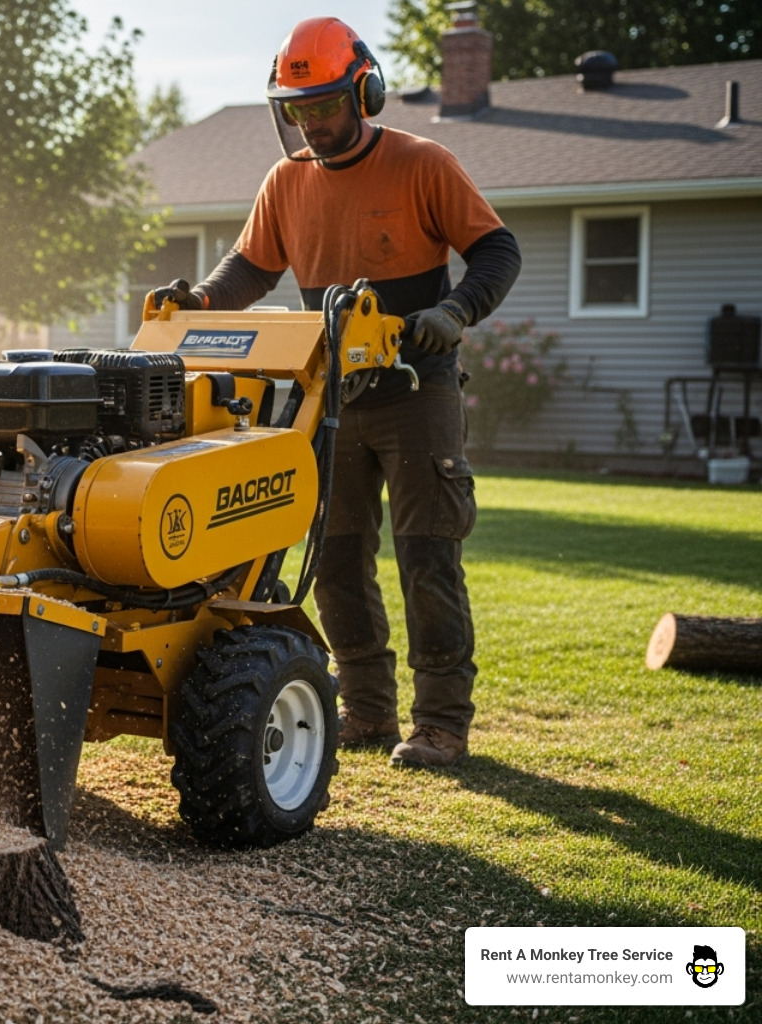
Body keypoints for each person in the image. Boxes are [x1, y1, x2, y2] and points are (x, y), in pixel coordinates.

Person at [152, 16, 520, 768]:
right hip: (331, 398)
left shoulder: (423, 164)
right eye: (297, 109)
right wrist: (199, 303)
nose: (311, 122)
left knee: (429, 557)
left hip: (417, 388)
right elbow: (250, 269)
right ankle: (368, 708)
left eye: (322, 104)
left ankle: (443, 722)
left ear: (365, 90)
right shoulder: (286, 184)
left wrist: (454, 312)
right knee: (338, 558)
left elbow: (496, 250)